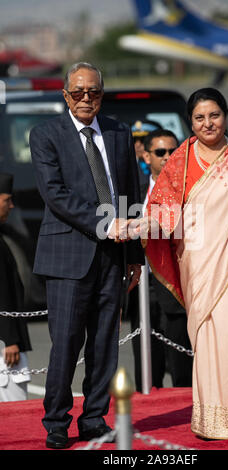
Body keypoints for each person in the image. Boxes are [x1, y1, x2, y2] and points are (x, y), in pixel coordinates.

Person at [134, 88, 228, 439]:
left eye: (214, 115)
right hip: (200, 267)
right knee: (207, 340)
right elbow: (163, 214)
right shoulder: (180, 160)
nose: (208, 123)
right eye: (199, 118)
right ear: (190, 123)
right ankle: (212, 422)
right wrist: (133, 226)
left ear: (225, 114)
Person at [29, 62, 144, 449]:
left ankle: (94, 417)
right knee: (65, 342)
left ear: (102, 94)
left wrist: (135, 255)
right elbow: (55, 194)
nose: (85, 99)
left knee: (104, 345)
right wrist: (106, 226)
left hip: (114, 258)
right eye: (77, 92)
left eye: (92, 92)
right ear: (65, 95)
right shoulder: (46, 134)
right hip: (67, 255)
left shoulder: (118, 131)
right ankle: (56, 422)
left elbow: (129, 193)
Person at [129, 129, 193, 391]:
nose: (168, 157)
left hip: (176, 286)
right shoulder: (134, 193)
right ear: (146, 156)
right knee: (146, 362)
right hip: (142, 285)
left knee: (181, 362)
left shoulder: (188, 193)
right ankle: (146, 410)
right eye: (160, 152)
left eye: (173, 151)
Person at [0, 173, 32, 402]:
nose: (11, 206)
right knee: (14, 407)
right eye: (6, 200)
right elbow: (2, 292)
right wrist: (9, 339)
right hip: (4, 344)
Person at [131, 120, 162, 188]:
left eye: (143, 140)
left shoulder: (167, 166)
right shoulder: (126, 169)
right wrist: (123, 199)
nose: (137, 144)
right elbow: (123, 194)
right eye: (134, 140)